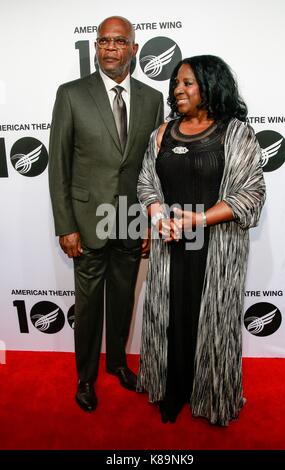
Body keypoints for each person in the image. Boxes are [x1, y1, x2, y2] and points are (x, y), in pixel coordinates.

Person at [136, 55, 266, 426]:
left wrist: (202, 219)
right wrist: (158, 214)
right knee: (170, 318)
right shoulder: (162, 132)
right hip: (170, 245)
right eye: (176, 82)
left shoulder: (236, 132)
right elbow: (147, 183)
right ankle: (171, 389)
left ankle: (209, 394)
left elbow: (251, 192)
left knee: (208, 319)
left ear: (210, 86)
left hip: (217, 249)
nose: (178, 89)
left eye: (188, 82)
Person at [48, 16, 164, 412]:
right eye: (103, 41)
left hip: (131, 220)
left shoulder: (152, 99)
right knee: (88, 305)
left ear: (134, 48)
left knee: (122, 301)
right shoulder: (71, 94)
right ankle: (85, 378)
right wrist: (65, 225)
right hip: (87, 222)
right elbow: (59, 165)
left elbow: (153, 166)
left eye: (119, 41)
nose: (110, 48)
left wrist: (150, 220)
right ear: (96, 47)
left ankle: (117, 362)